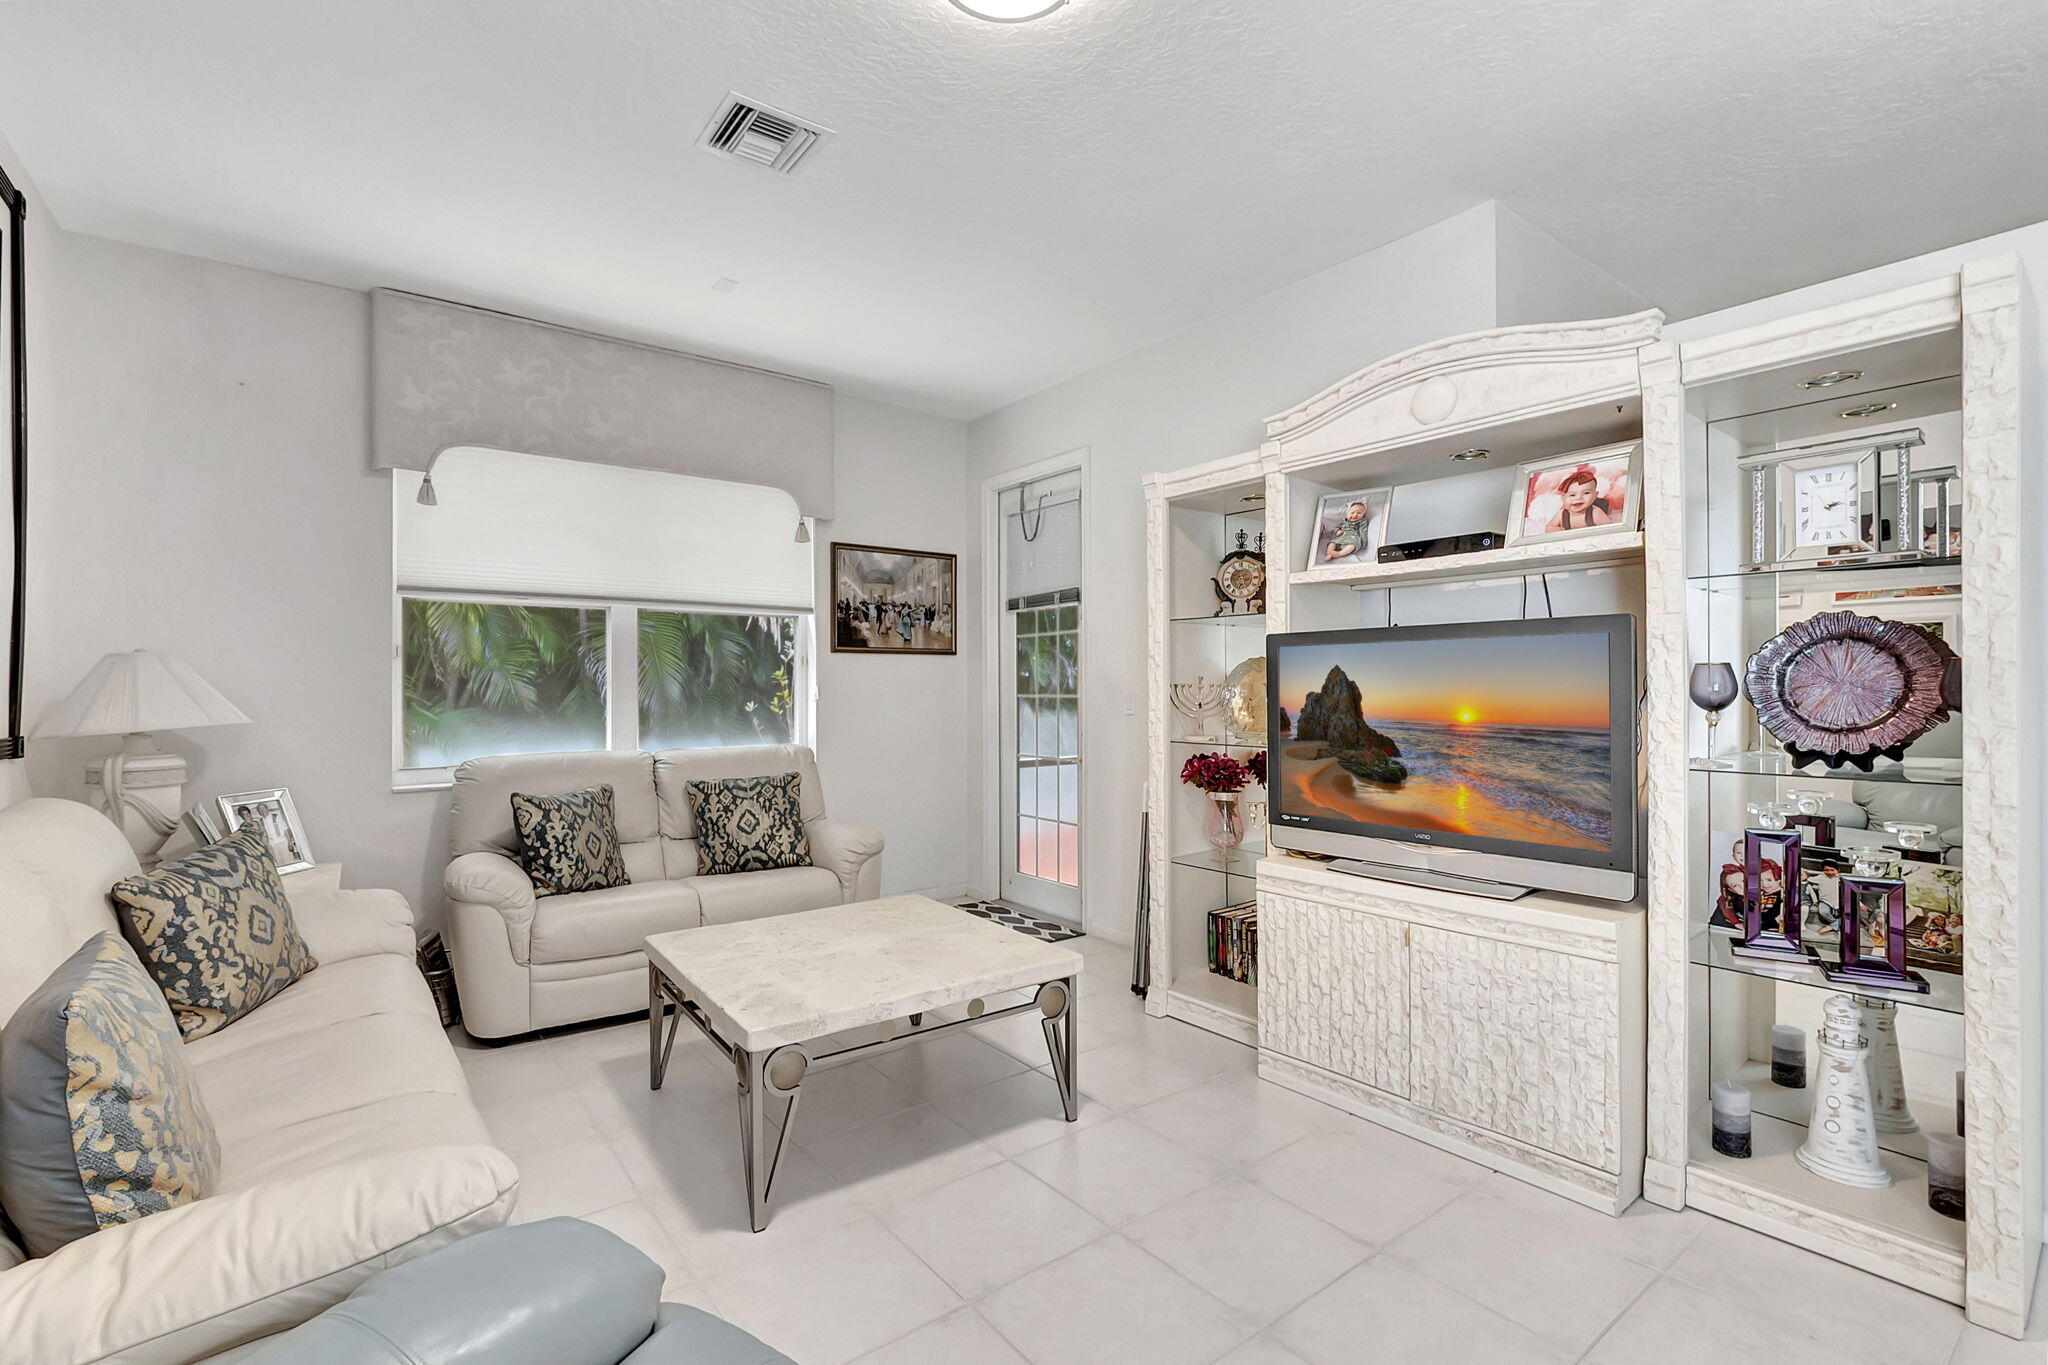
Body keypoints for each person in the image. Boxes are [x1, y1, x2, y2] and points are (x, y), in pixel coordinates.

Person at [1543, 465, 1619, 532]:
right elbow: (1549, 527)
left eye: (1586, 493)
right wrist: (1558, 530)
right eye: (1572, 495)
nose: (1579, 498)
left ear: (1595, 495)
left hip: (1598, 505)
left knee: (1607, 505)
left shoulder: (1595, 513)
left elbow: (1609, 529)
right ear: (1562, 498)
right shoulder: (1562, 514)